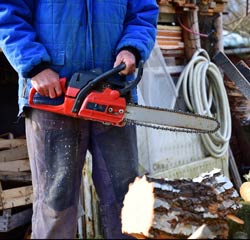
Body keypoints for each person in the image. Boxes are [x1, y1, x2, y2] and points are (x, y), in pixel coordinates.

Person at [0, 1, 159, 239]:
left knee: (125, 197)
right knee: (55, 202)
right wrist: (34, 65)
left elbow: (144, 11)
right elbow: (8, 13)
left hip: (112, 90)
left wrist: (132, 48)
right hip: (53, 95)